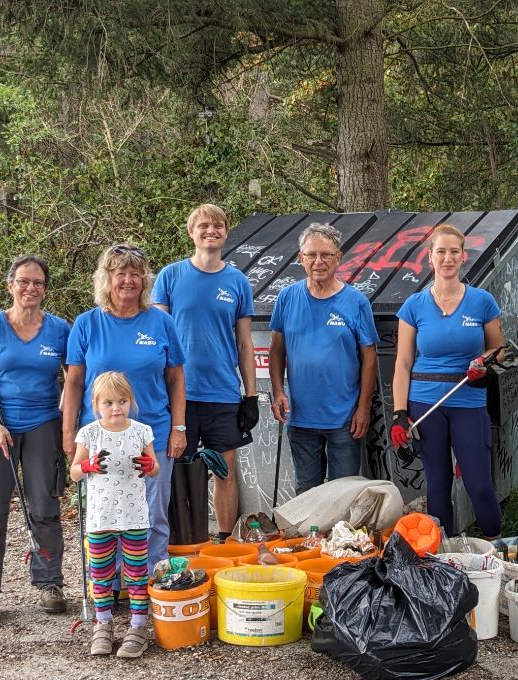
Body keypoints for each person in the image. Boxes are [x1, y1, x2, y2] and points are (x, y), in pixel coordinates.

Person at [62, 244, 186, 575]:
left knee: (152, 514)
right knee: (106, 514)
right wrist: (68, 432)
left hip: (153, 435)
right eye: (120, 274)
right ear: (107, 279)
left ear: (145, 280)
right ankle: (111, 584)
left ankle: (151, 581)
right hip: (100, 439)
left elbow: (176, 378)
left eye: (135, 274)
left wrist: (179, 428)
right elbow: (74, 383)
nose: (128, 281)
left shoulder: (161, 322)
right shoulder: (87, 324)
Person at [0, 255, 70, 624]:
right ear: (10, 285)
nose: (30, 289)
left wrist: (70, 428)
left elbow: (74, 381)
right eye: (23, 281)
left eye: (38, 283)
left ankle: (49, 582)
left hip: (42, 424)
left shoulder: (59, 330)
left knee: (44, 507)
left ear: (45, 289)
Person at [390, 223, 505, 537]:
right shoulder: (414, 306)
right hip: (425, 402)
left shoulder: (482, 301)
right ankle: (445, 554)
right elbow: (402, 363)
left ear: (463, 256)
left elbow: (499, 349)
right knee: (438, 484)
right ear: (430, 258)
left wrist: (485, 363)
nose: (448, 258)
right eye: (441, 251)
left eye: (454, 251)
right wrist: (400, 414)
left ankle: (498, 548)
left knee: (479, 483)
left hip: (468, 399)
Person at [153, 204, 257, 542]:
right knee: (178, 472)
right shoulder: (170, 276)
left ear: (226, 232)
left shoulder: (237, 281)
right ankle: (180, 542)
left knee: (224, 471)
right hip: (179, 395)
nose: (210, 230)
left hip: (223, 393)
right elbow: (157, 338)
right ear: (191, 232)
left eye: (217, 225)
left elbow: (244, 343)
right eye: (203, 225)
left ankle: (224, 540)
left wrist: (251, 395)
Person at [268, 223, 379, 494]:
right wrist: (278, 392)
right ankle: (311, 539)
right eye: (312, 255)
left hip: (344, 417)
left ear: (339, 257)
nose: (319, 262)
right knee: (307, 492)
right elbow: (276, 350)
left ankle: (343, 539)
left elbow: (370, 358)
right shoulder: (287, 297)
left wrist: (363, 408)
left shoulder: (356, 302)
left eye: (326, 255)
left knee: (344, 494)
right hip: (300, 415)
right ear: (300, 258)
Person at [71, 372, 159, 658]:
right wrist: (87, 466)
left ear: (130, 401)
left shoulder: (141, 431)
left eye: (122, 401)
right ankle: (103, 624)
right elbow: (73, 472)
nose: (116, 408)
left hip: (134, 516)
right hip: (100, 518)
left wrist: (149, 466)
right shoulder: (89, 433)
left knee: (135, 573)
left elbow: (155, 467)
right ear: (96, 404)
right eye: (108, 403)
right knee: (100, 574)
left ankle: (137, 627)